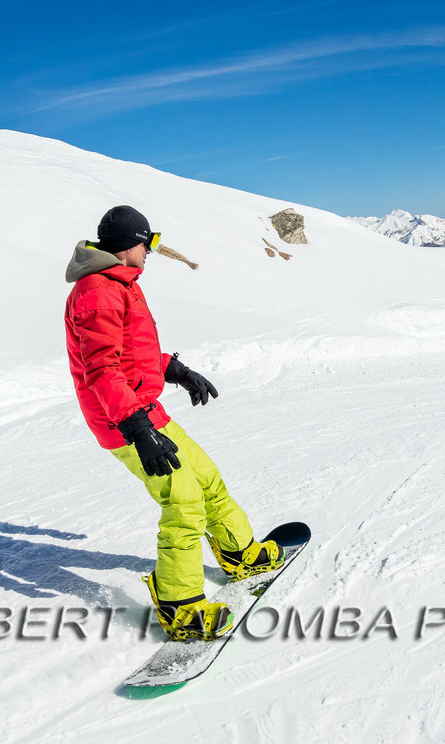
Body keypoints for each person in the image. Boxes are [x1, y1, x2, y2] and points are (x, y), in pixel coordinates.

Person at [64, 205, 282, 641]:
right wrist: (138, 431)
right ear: (131, 244)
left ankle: (240, 554)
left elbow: (131, 354)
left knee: (206, 479)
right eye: (151, 244)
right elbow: (102, 371)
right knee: (183, 503)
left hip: (146, 411)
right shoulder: (98, 291)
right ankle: (179, 604)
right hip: (123, 420)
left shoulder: (120, 284)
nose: (151, 252)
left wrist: (175, 370)